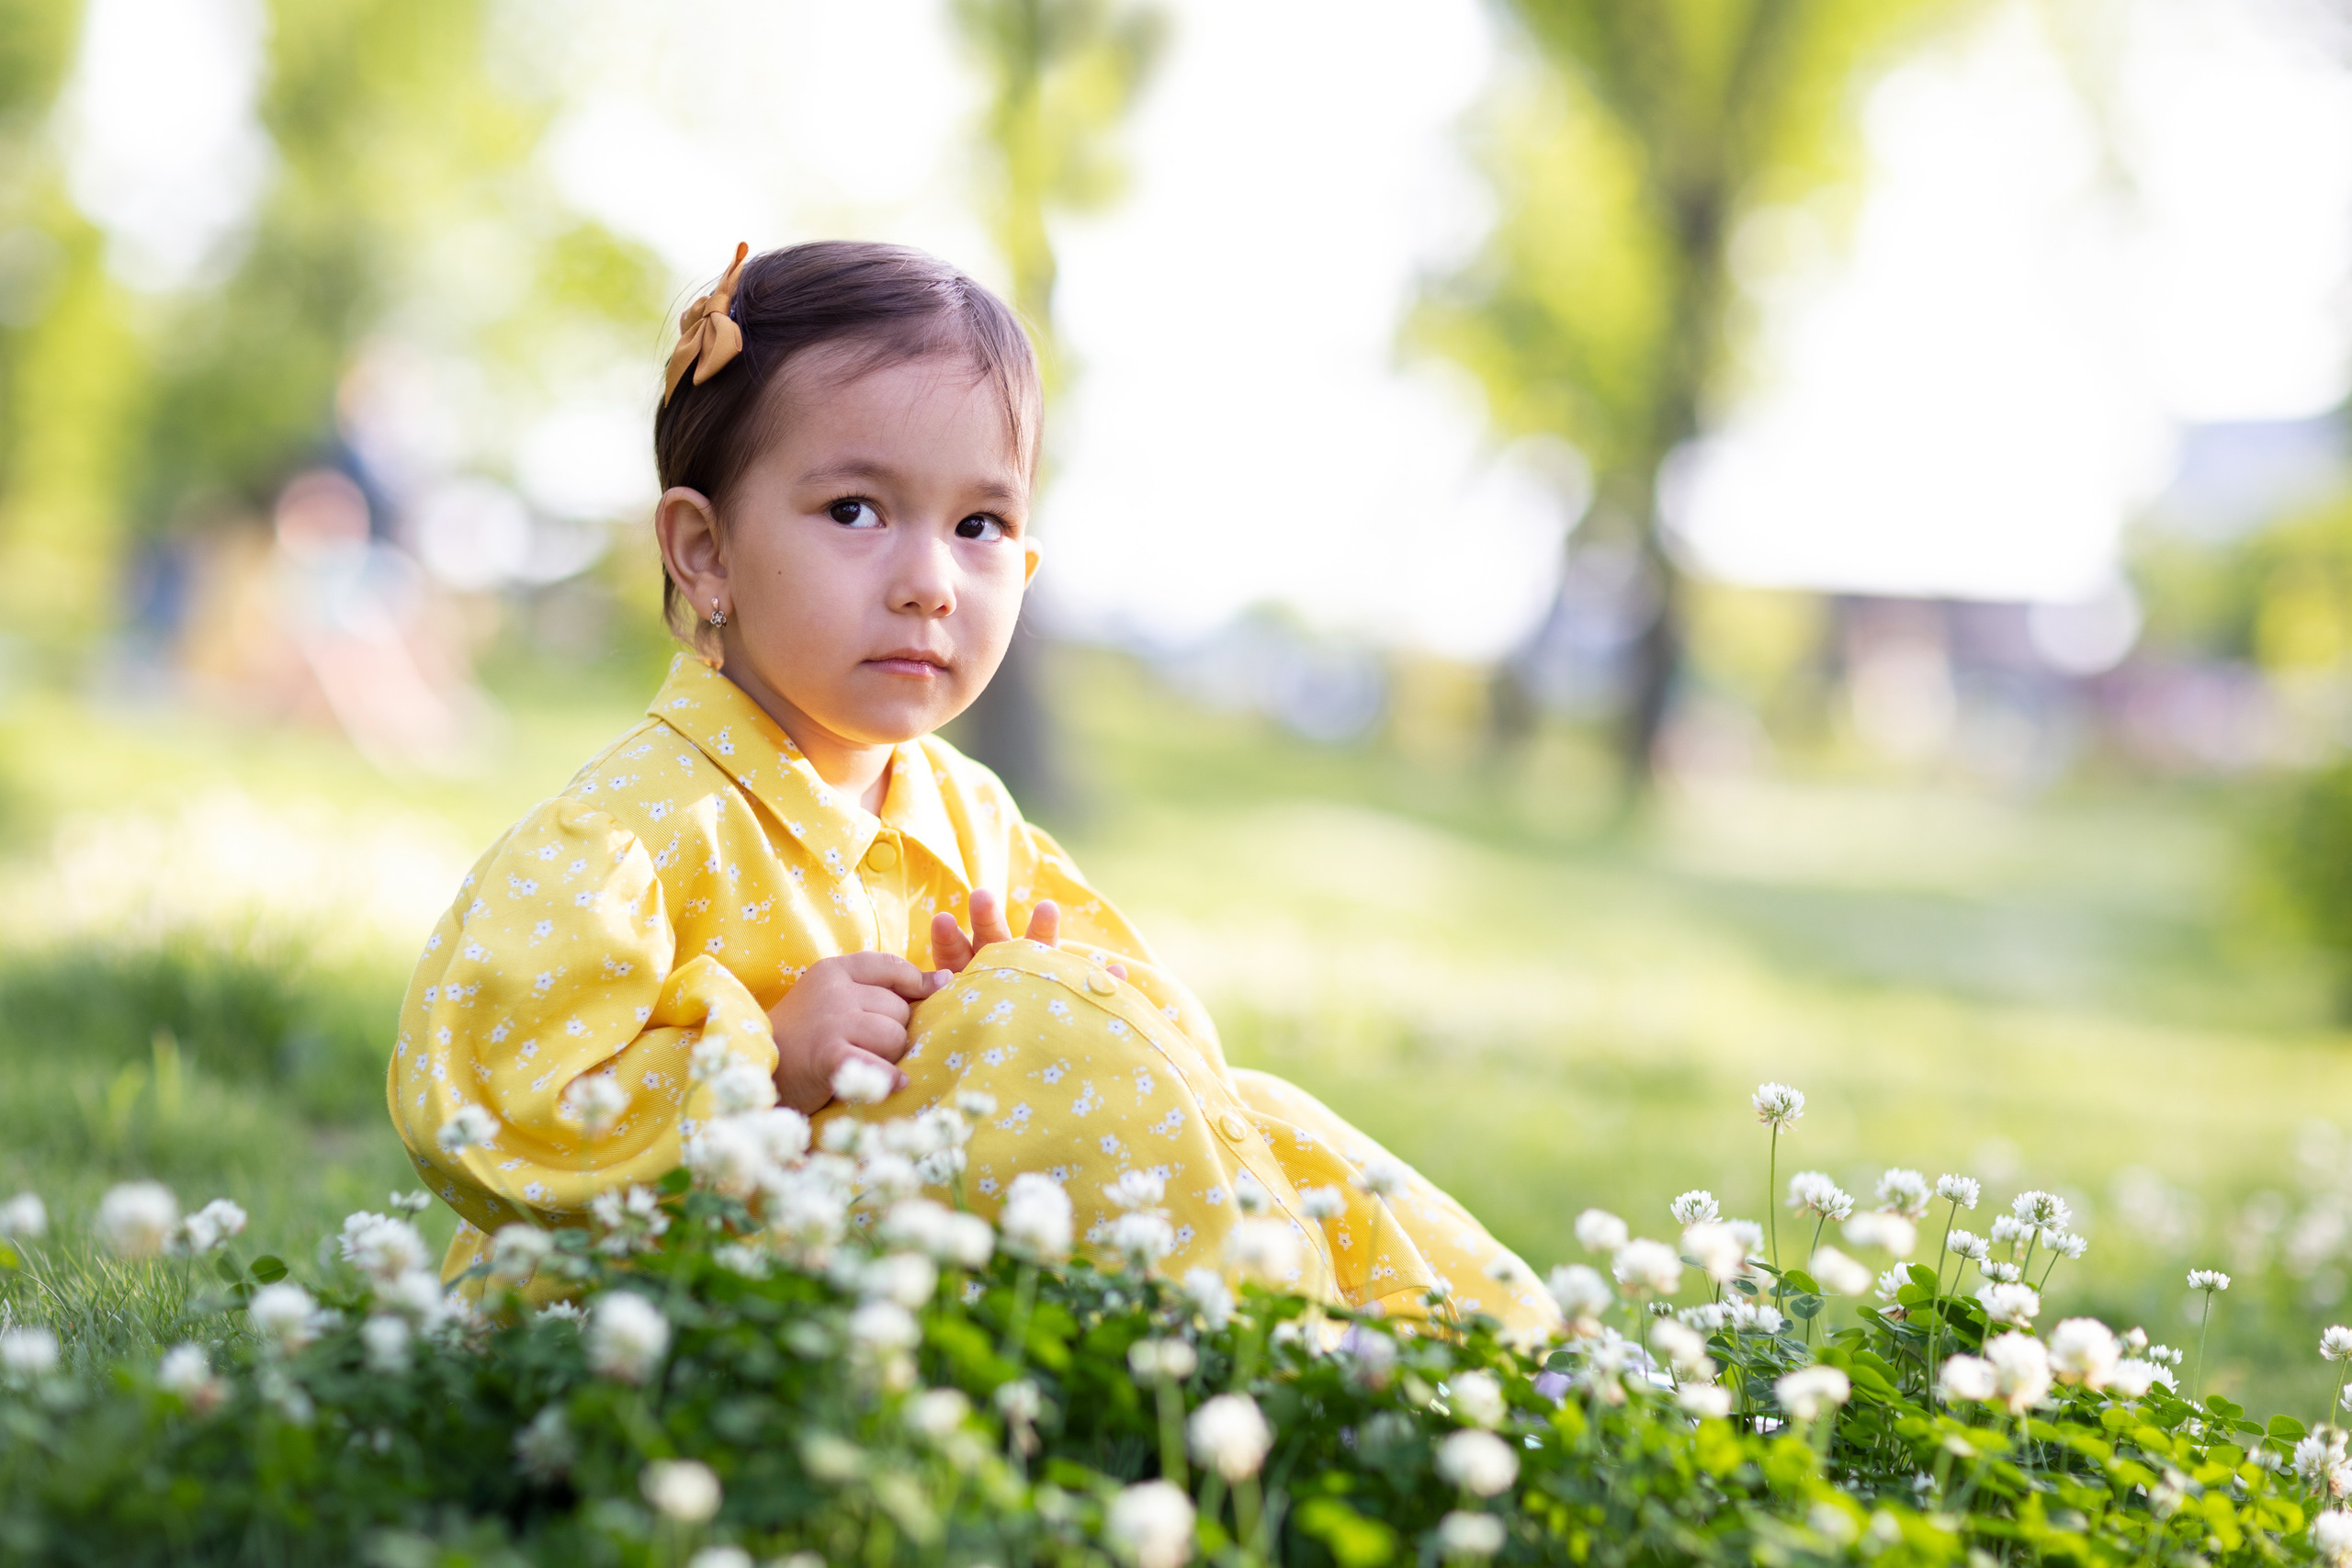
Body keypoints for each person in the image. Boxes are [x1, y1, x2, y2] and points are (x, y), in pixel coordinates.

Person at [390, 241, 1560, 1337]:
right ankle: (1262, 1363)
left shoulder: (974, 820)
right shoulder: (631, 835)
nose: (929, 582)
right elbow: (489, 1110)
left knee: (1260, 1112)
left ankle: (1474, 1358)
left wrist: (1035, 990)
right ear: (705, 554)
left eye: (980, 524)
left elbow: (1166, 1084)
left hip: (897, 1279)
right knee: (1030, 1024)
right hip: (664, 1316)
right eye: (855, 511)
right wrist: (764, 1060)